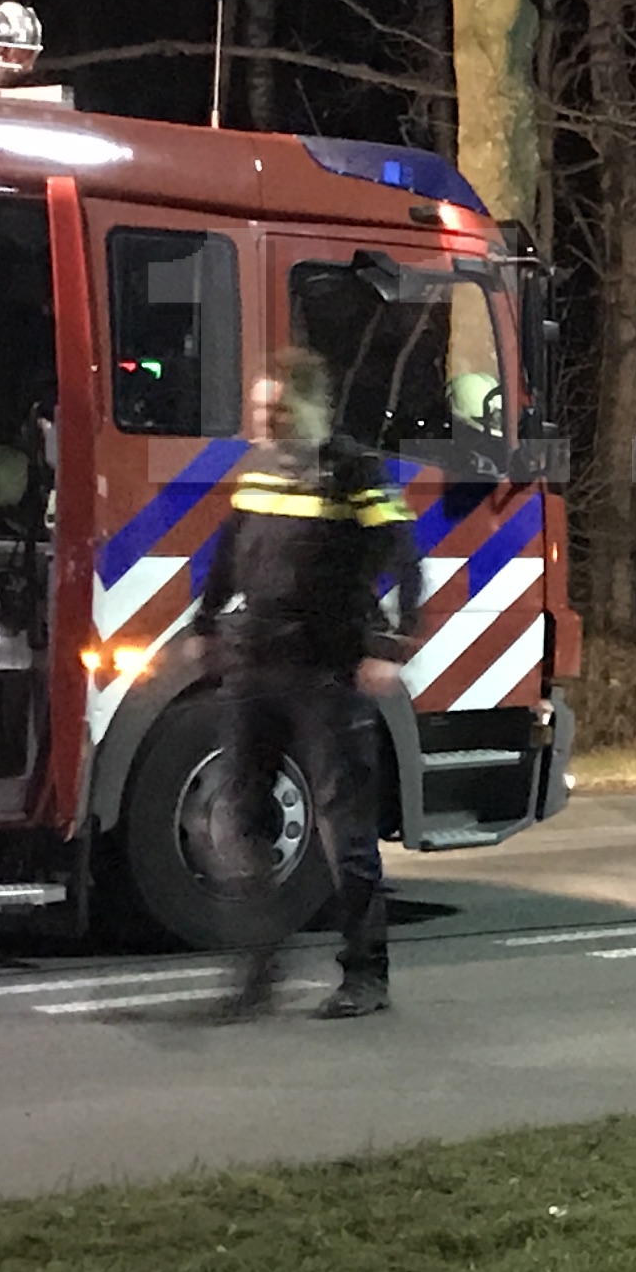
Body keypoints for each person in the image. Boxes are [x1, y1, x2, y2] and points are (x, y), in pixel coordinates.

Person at [187, 353, 414, 1017]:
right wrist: (205, 623)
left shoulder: (350, 471)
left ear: (303, 409)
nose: (258, 422)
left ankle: (366, 974)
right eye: (257, 412)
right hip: (253, 663)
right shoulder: (258, 469)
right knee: (238, 819)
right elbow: (231, 554)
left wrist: (388, 646)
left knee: (343, 828)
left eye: (271, 411)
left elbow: (404, 556)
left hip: (326, 669)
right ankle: (260, 966)